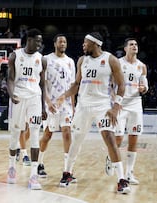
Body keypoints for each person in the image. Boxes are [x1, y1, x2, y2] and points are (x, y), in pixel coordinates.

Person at [57, 32, 131, 194]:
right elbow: (76, 84)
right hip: (83, 105)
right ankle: (67, 172)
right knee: (76, 140)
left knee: (110, 139)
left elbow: (121, 85)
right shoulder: (82, 60)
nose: (83, 45)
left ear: (96, 44)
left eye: (86, 42)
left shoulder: (111, 60)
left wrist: (116, 107)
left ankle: (122, 179)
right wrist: (64, 95)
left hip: (102, 105)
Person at [6, 28, 47, 190]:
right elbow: (9, 78)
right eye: (37, 40)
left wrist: (43, 107)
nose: (39, 44)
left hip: (35, 98)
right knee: (16, 132)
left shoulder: (42, 59)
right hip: (18, 97)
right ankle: (11, 167)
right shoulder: (15, 56)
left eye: (40, 41)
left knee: (36, 132)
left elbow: (43, 84)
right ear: (29, 39)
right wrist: (11, 94)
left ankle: (33, 176)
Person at [105, 38, 149, 185]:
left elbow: (145, 84)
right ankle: (111, 158)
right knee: (118, 138)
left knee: (133, 139)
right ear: (125, 48)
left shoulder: (142, 66)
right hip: (120, 105)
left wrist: (144, 89)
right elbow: (109, 85)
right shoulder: (118, 63)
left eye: (136, 44)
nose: (134, 46)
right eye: (131, 44)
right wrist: (114, 101)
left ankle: (129, 173)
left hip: (135, 104)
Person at [38, 34, 76, 180]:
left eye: (65, 41)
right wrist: (47, 101)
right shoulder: (46, 59)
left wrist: (73, 106)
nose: (63, 43)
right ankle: (39, 163)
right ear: (55, 44)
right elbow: (42, 83)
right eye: (60, 41)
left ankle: (67, 170)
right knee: (48, 134)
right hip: (51, 103)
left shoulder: (70, 62)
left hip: (65, 103)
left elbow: (72, 86)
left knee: (67, 132)